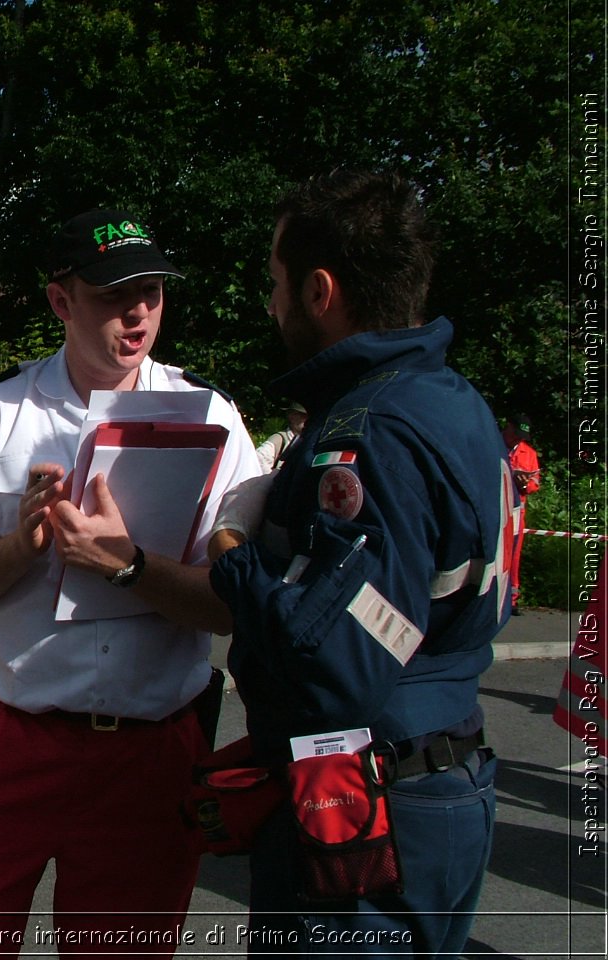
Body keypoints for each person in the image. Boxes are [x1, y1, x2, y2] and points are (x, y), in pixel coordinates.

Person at [0, 208, 261, 956]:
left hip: (149, 751)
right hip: (7, 737)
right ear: (61, 301)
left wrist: (128, 568)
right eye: (113, 295)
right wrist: (21, 546)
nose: (139, 312)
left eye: (154, 292)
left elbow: (234, 607)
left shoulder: (212, 417)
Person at [207, 170, 511, 955]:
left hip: (372, 799)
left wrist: (234, 550)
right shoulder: (454, 400)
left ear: (319, 290)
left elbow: (335, 663)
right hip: (446, 773)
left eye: (274, 283)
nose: (269, 304)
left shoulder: (367, 432)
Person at [502, 413, 541, 613]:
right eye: (515, 433)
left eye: (521, 436)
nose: (517, 438)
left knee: (514, 556)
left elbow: (535, 482)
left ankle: (512, 600)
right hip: (496, 508)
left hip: (517, 513)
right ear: (508, 426)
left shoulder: (529, 454)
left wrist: (526, 485)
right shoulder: (493, 446)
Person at [254, 401, 308, 472]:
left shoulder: (308, 440)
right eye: (304, 416)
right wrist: (272, 479)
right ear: (291, 416)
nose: (308, 419)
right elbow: (258, 459)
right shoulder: (280, 439)